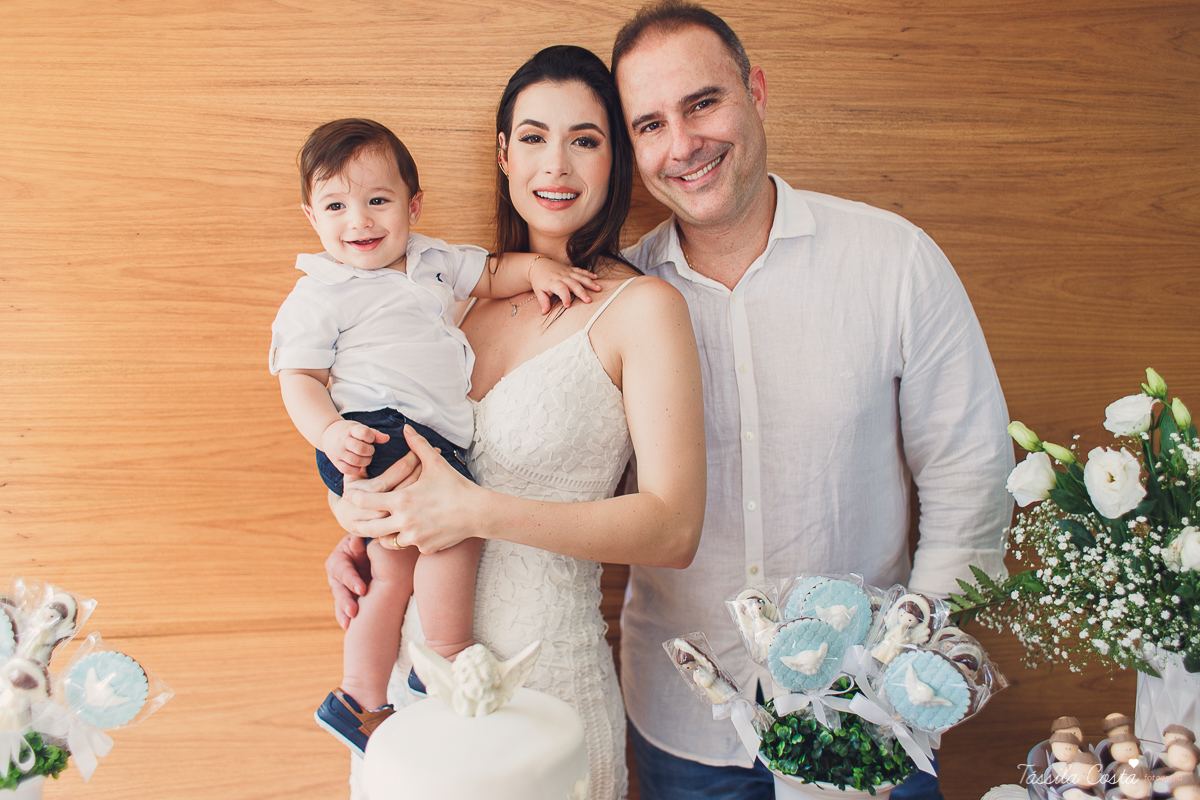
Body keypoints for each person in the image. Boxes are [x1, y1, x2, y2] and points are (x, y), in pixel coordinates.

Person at [607, 4, 1013, 799]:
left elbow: (969, 474)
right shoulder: (617, 297)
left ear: (755, 91)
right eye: (650, 124)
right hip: (686, 727)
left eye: (702, 104)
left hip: (874, 721)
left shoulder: (892, 260)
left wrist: (908, 678)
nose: (682, 145)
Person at [325, 46, 707, 800]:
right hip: (409, 692)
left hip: (546, 684)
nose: (555, 164)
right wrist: (360, 522)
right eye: (534, 137)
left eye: (585, 140)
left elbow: (674, 529)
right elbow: (386, 438)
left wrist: (477, 512)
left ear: (616, 160)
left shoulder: (642, 309)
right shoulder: (445, 299)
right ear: (504, 154)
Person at [269, 117, 603, 755]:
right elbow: (300, 378)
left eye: (378, 200)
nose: (359, 221)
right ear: (311, 216)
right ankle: (445, 657)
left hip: (421, 438)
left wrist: (538, 271)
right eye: (336, 206)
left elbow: (493, 273)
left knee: (392, 573)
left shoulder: (432, 261)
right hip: (375, 433)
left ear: (412, 205)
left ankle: (358, 697)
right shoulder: (321, 292)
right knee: (456, 532)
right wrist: (329, 432)